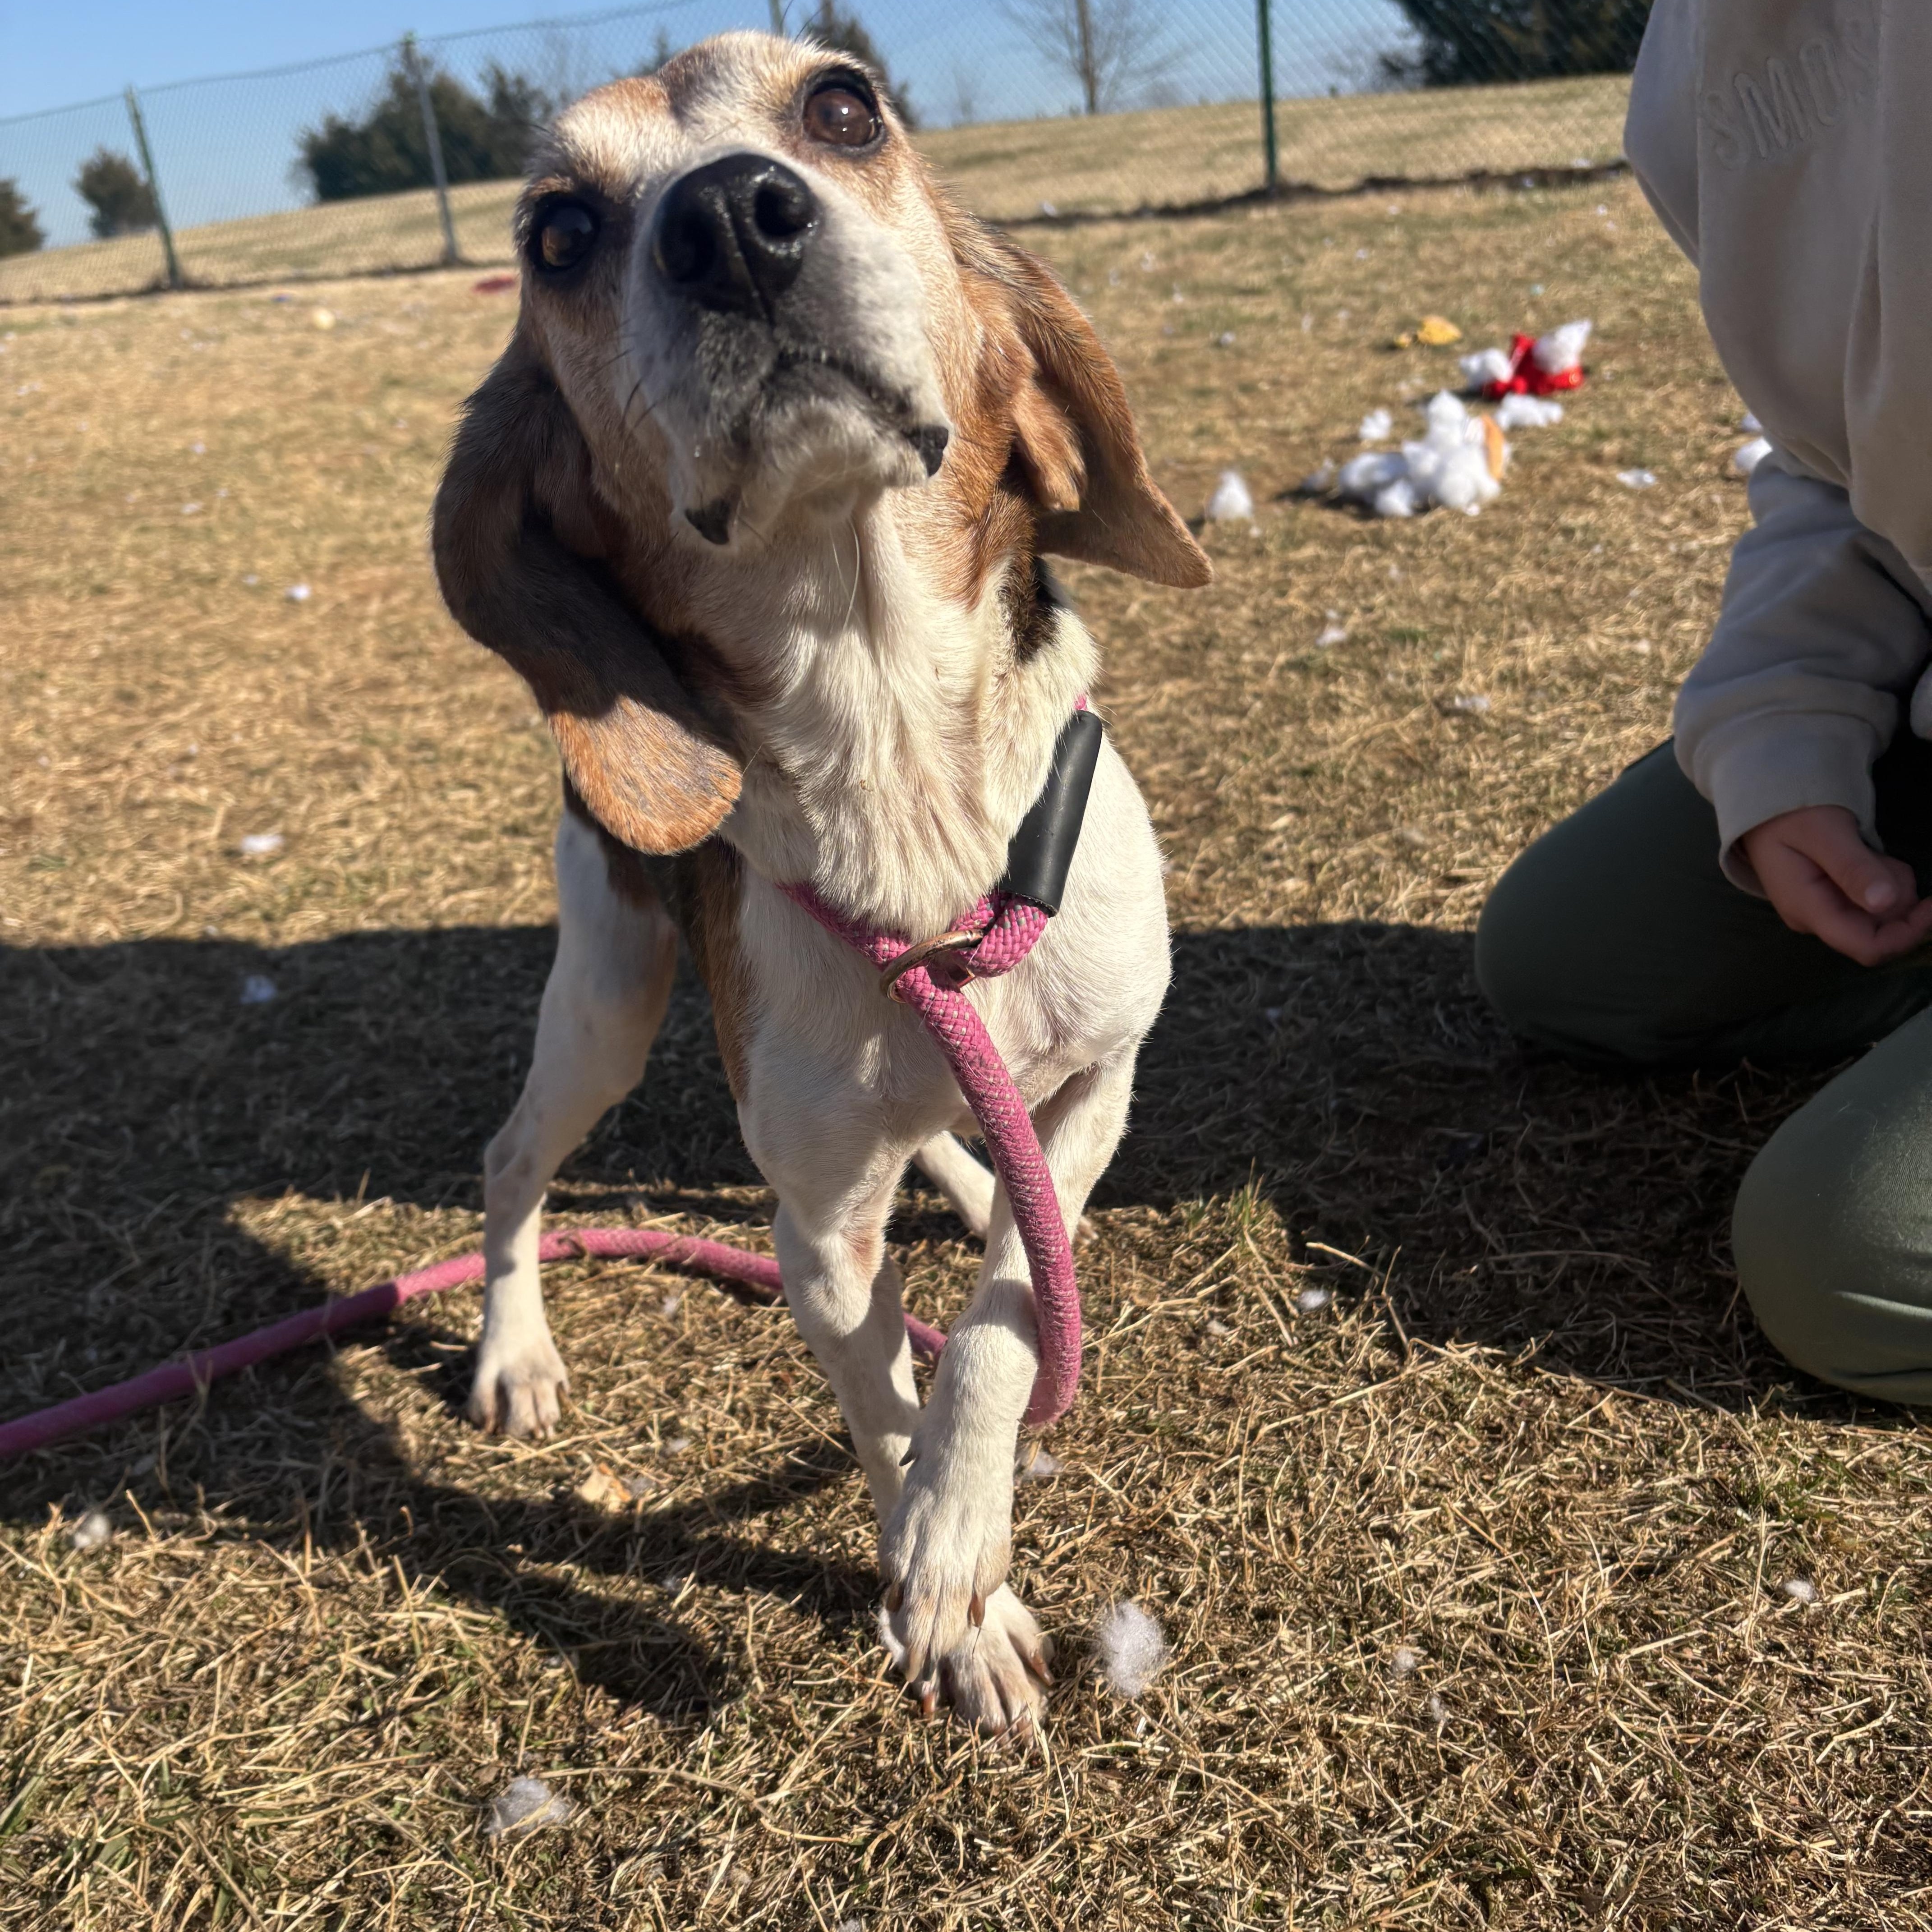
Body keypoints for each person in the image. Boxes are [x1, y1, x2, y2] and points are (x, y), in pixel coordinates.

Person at [1476, 0, 1932, 1403]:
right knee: (1564, 958)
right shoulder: (1704, 58)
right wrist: (1784, 731)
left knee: (1845, 1259)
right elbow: (1835, 457)